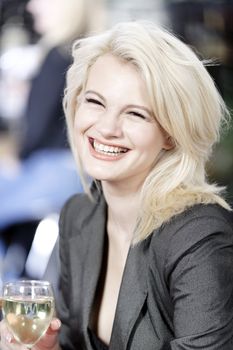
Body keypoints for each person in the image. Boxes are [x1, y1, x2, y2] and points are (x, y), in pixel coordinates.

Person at [1, 20, 233, 350]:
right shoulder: (78, 216)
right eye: (95, 102)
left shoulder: (200, 238)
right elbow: (72, 341)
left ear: (170, 133)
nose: (107, 127)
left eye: (136, 114)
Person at [0, 0, 106, 281]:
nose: (32, 7)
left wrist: (14, 156)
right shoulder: (89, 58)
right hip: (79, 178)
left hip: (51, 176)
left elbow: (33, 132)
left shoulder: (56, 57)